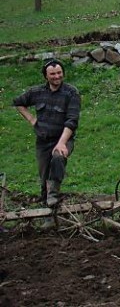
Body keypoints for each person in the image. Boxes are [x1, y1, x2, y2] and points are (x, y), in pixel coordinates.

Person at [13, 59, 81, 225]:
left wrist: (62, 143)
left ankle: (53, 195)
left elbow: (72, 120)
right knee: (44, 179)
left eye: (59, 73)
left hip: (63, 138)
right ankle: (49, 217)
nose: (57, 76)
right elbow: (18, 102)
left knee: (58, 158)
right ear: (46, 76)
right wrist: (32, 120)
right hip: (43, 141)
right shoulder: (37, 92)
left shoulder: (71, 93)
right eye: (53, 74)